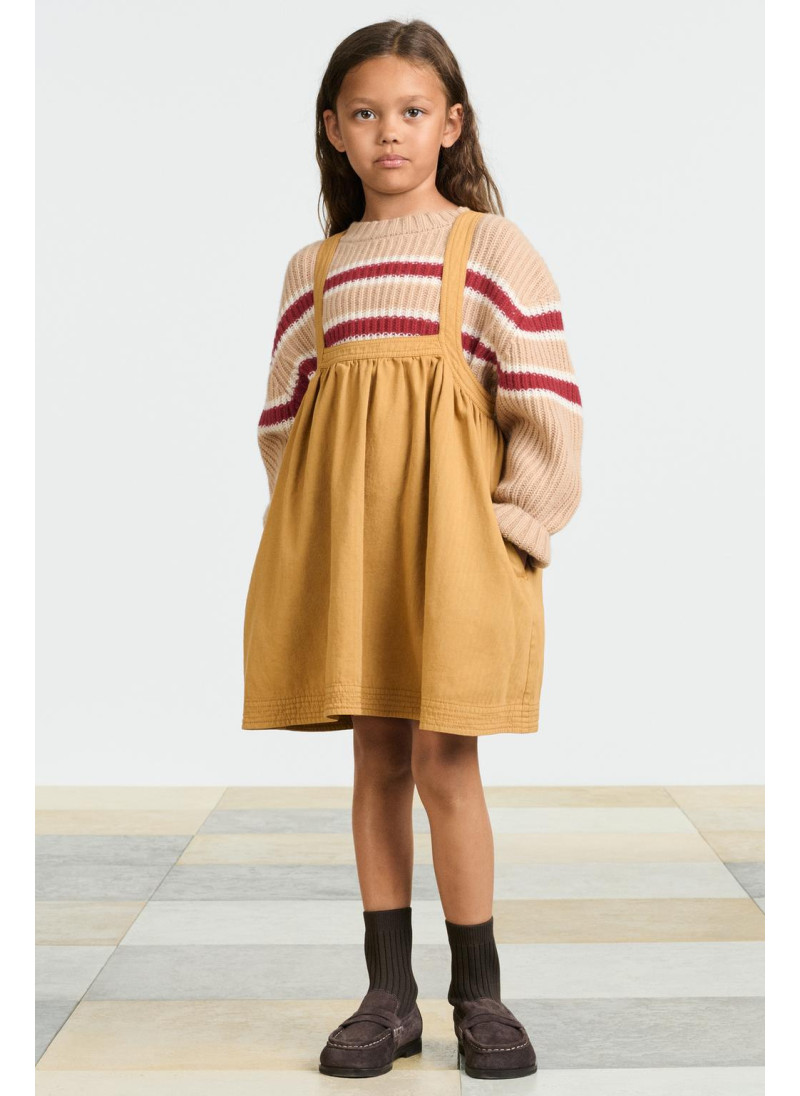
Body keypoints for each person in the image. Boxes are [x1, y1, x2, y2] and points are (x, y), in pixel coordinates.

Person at [242, 18, 583, 1082]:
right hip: (354, 555)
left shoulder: (490, 249)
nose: (388, 131)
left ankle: (479, 992)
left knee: (447, 759)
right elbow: (285, 420)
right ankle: (386, 997)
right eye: (365, 113)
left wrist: (516, 526)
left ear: (451, 124)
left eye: (410, 111)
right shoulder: (315, 269)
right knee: (376, 757)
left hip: (460, 550)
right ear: (332, 130)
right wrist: (312, 537)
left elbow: (545, 404)